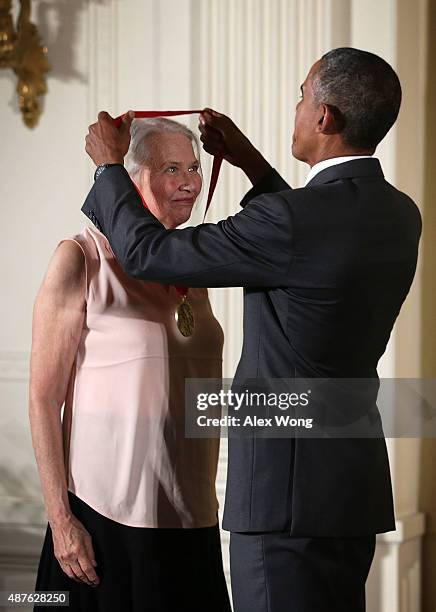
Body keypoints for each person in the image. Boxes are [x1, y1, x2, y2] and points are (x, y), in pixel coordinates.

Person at [81, 47, 422, 612]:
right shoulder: (398, 212)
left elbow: (148, 253)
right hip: (349, 491)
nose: (296, 107)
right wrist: (253, 165)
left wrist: (108, 168)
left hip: (284, 499)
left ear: (324, 118)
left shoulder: (295, 221)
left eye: (302, 96)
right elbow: (315, 242)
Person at [29, 117, 231, 612]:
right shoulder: (80, 257)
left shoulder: (191, 265)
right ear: (128, 176)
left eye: (193, 168)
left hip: (193, 517)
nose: (189, 182)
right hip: (104, 523)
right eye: (170, 169)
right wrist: (61, 519)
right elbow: (42, 399)